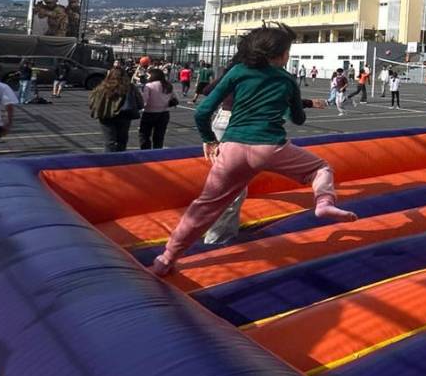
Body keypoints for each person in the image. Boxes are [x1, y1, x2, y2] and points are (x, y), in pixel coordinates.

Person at [151, 24, 356, 276]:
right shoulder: (287, 80)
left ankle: (166, 258)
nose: (288, 57)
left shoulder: (238, 71)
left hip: (232, 148)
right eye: (288, 52)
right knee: (320, 168)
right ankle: (324, 202)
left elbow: (203, 112)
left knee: (204, 207)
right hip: (270, 148)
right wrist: (294, 106)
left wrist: (210, 140)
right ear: (280, 54)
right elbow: (298, 119)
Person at [88, 68, 140, 152]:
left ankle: (109, 161)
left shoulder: (102, 88)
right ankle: (120, 160)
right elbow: (139, 102)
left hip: (106, 116)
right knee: (122, 141)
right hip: (124, 116)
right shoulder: (129, 87)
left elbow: (93, 102)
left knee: (109, 142)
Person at [138, 69, 177, 150]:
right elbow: (175, 98)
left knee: (144, 136)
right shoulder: (168, 85)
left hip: (149, 113)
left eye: (148, 75)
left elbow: (144, 102)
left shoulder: (149, 86)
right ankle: (157, 154)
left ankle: (146, 153)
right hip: (164, 113)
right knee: (159, 137)